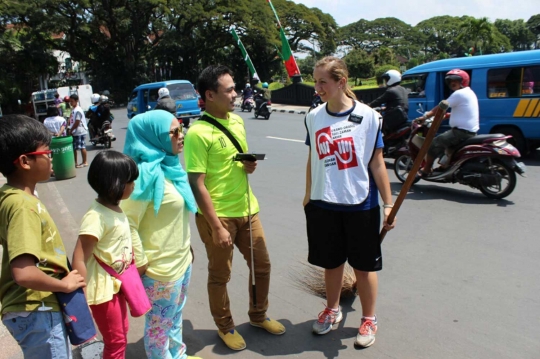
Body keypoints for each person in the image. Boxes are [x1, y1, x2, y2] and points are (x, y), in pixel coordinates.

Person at [184, 65, 285, 352]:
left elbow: (238, 162)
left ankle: (257, 315)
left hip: (248, 209)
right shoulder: (197, 133)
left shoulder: (238, 122)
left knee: (262, 266)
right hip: (218, 216)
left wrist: (247, 165)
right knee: (220, 275)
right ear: (210, 95)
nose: (235, 94)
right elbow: (197, 183)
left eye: (234, 88)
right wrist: (216, 226)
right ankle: (225, 325)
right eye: (228, 89)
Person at [304, 56, 395, 348]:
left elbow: (377, 163)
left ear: (341, 82)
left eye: (323, 82)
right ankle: (332, 310)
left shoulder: (369, 117)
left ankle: (369, 318)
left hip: (361, 204)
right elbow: (313, 159)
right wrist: (308, 195)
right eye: (315, 81)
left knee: (363, 267)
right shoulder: (313, 116)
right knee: (331, 264)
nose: (317, 87)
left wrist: (388, 203)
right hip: (323, 203)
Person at [0, 115, 87, 359]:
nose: (51, 157)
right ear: (25, 161)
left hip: (34, 310)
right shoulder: (22, 206)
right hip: (37, 308)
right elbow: (24, 272)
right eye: (46, 152)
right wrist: (64, 284)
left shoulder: (11, 197)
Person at [120, 110, 201, 359]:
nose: (181, 136)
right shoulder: (142, 174)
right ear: (153, 136)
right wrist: (142, 263)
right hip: (159, 271)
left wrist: (186, 248)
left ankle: (178, 355)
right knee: (158, 329)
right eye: (174, 132)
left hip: (180, 262)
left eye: (182, 129)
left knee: (175, 318)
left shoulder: (171, 166)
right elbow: (127, 222)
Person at [72, 150, 139, 359]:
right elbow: (80, 257)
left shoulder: (114, 208)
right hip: (103, 292)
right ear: (115, 183)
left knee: (122, 332)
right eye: (130, 181)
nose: (133, 185)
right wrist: (80, 294)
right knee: (115, 340)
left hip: (118, 285)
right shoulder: (96, 217)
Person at [417, 69, 479, 176]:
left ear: (463, 81)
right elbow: (462, 111)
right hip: (468, 131)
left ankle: (426, 170)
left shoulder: (459, 93)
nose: (452, 83)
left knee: (433, 144)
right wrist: (447, 116)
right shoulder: (469, 92)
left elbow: (441, 107)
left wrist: (425, 116)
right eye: (450, 81)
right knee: (446, 144)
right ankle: (444, 167)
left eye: (455, 80)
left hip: (461, 132)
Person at [368, 69, 409, 135]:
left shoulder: (391, 91)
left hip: (393, 119)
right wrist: (384, 108)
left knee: (376, 128)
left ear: (391, 79)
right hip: (402, 117)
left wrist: (366, 106)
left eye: (386, 79)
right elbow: (398, 103)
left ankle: (379, 144)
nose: (386, 82)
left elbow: (377, 101)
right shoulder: (403, 89)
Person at [68, 94, 89, 168]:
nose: (71, 103)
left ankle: (84, 162)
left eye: (72, 101)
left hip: (80, 131)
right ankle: (75, 163)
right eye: (70, 101)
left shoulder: (78, 110)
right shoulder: (74, 109)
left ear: (76, 101)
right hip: (75, 131)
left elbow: (77, 122)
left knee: (82, 146)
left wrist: (71, 129)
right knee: (74, 148)